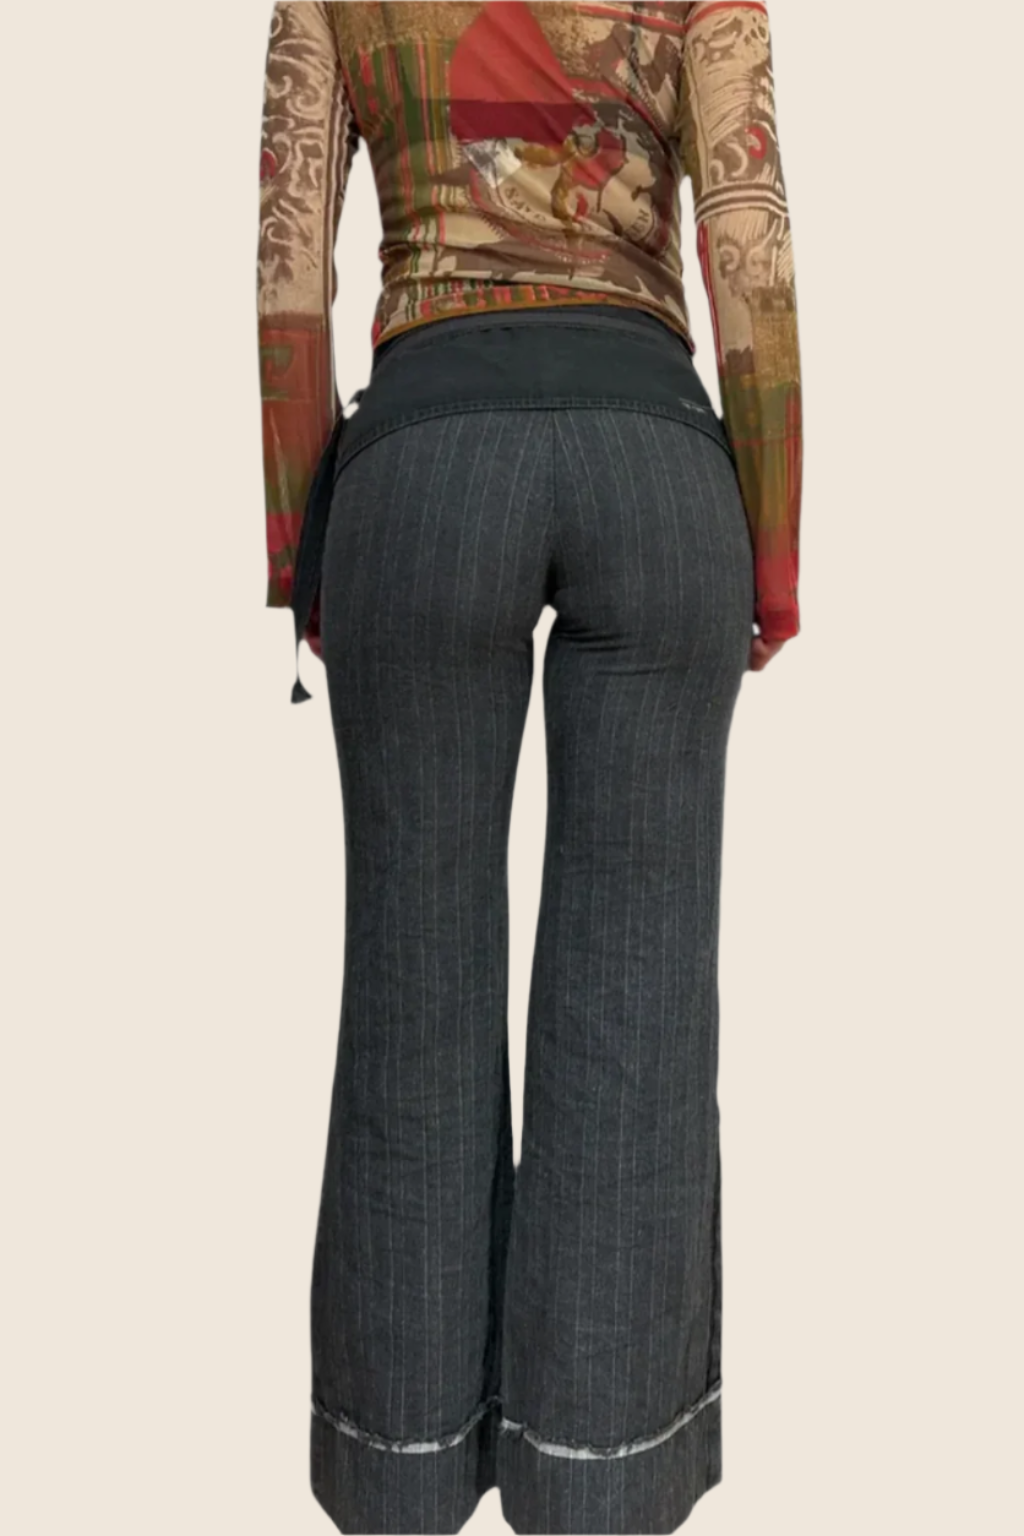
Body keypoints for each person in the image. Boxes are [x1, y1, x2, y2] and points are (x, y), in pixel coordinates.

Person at [255, 4, 802, 1533]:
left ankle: (400, 1467)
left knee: (414, 985)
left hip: (425, 464)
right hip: (657, 473)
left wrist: (300, 546)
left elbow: (285, 276)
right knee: (638, 1001)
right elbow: (751, 253)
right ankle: (599, 1479)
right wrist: (773, 543)